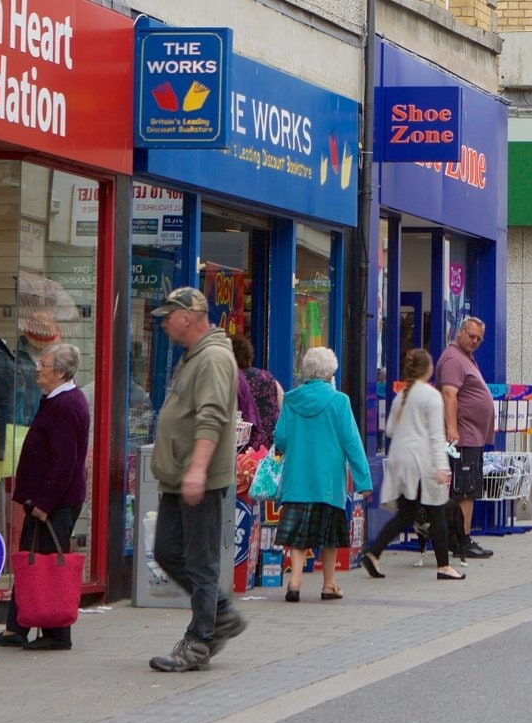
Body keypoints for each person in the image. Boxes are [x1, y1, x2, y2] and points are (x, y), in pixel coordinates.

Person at [147, 288, 248, 673]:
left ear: (187, 317)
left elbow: (212, 418)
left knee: (201, 562)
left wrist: (197, 469)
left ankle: (200, 640)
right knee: (168, 552)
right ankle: (222, 613)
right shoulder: (193, 356)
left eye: (168, 316)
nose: (164, 322)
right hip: (180, 476)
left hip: (199, 478)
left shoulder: (213, 358)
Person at [0, 343, 89, 650]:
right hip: (44, 500)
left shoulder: (67, 405)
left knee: (47, 565)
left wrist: (44, 503)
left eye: (44, 364)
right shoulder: (55, 399)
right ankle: (16, 627)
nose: (37, 368)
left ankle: (57, 634)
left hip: (55, 502)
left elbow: (64, 462)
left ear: (60, 371)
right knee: (30, 561)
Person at [269, 347, 371, 602]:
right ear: (330, 373)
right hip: (329, 480)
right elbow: (352, 442)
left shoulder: (292, 400)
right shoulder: (339, 401)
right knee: (329, 535)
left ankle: (294, 582)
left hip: (298, 477)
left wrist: (287, 448)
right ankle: (329, 584)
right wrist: (363, 480)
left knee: (298, 535)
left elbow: (280, 437)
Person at [364, 348, 463, 579]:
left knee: (406, 514)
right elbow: (436, 435)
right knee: (436, 510)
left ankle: (374, 553)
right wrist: (442, 466)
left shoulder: (401, 396)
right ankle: (444, 567)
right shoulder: (431, 396)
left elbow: (389, 430)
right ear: (428, 369)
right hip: (422, 460)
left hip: (400, 459)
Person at [435, 318, 497, 560]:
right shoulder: (453, 359)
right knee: (464, 491)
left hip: (472, 436)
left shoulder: (465, 358)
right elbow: (449, 394)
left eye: (479, 339)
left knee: (467, 489)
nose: (475, 341)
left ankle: (459, 537)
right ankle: (462, 540)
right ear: (460, 332)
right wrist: (452, 428)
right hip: (463, 437)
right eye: (471, 336)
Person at [233, 334, 282, 452]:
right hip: (267, 446)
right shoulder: (268, 377)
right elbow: (282, 406)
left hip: (241, 446)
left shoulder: (232, 379)